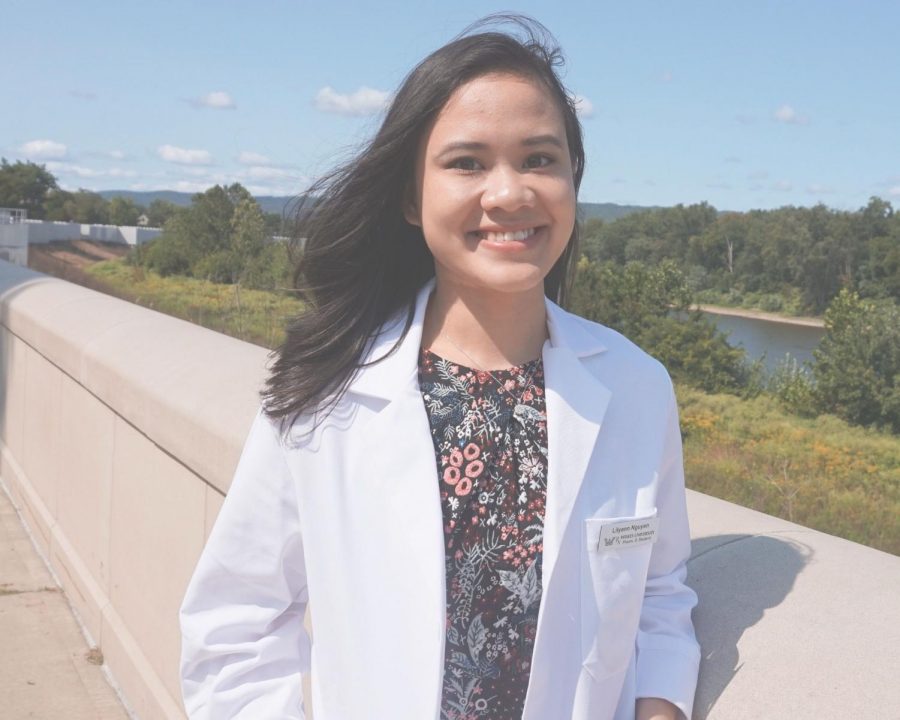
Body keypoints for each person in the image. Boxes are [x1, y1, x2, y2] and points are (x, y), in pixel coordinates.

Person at [179, 15, 700, 720]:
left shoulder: (636, 389)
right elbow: (236, 627)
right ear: (409, 193)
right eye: (467, 162)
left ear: (574, 178)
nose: (510, 193)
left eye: (541, 159)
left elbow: (660, 590)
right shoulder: (326, 387)